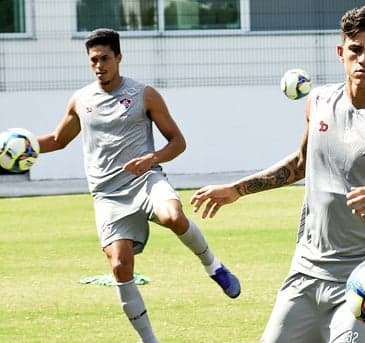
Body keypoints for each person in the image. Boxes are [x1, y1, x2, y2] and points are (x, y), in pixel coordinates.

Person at [190, 5, 365, 342]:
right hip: (305, 271)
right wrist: (236, 189)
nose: (364, 58)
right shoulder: (318, 101)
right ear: (340, 52)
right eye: (355, 49)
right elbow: (301, 163)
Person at [36, 28, 241, 343]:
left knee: (173, 217)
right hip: (108, 196)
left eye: (105, 58)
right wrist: (23, 145)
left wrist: (151, 158)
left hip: (146, 181)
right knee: (120, 265)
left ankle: (213, 266)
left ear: (119, 57)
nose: (99, 65)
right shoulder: (81, 100)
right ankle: (150, 340)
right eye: (93, 60)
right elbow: (57, 140)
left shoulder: (144, 94)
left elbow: (178, 142)